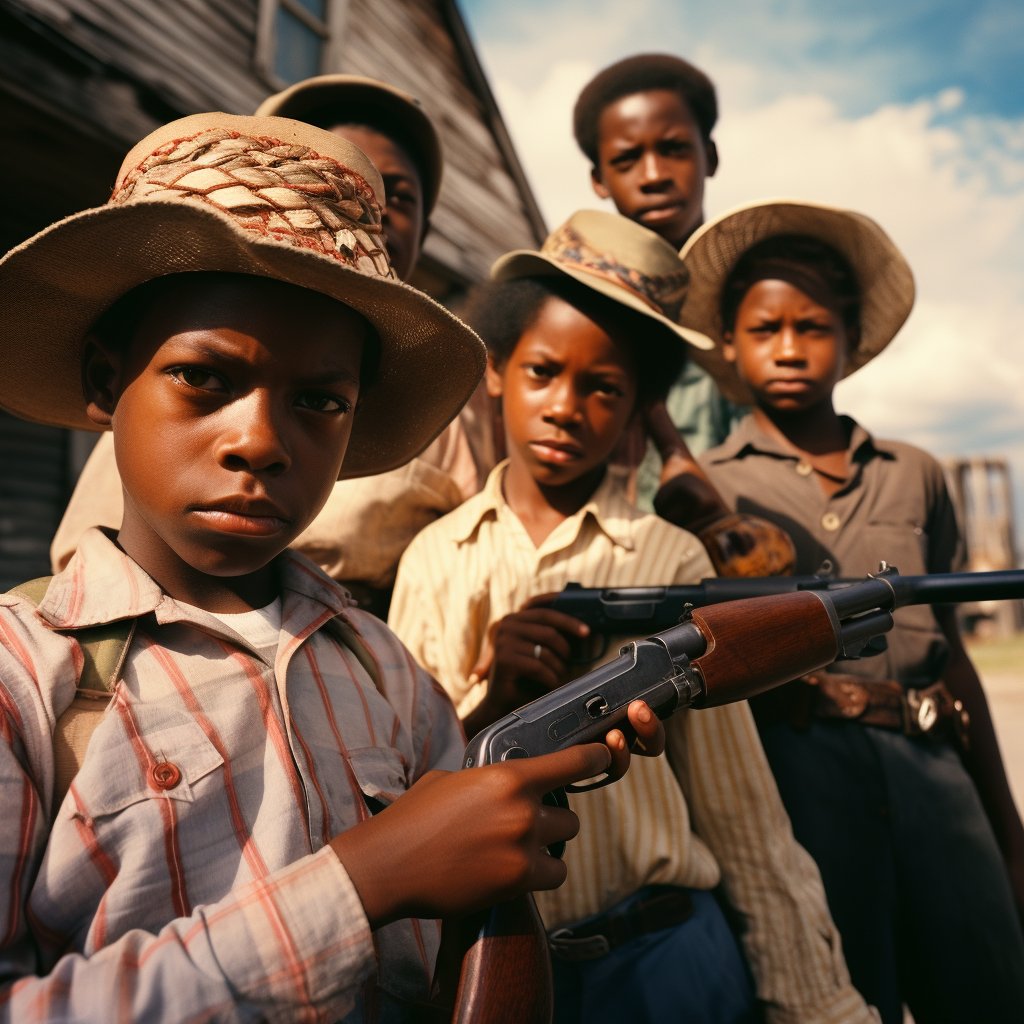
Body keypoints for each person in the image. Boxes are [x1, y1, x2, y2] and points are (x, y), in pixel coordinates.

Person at [0, 113, 665, 1021]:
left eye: (319, 400)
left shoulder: (387, 673)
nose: (261, 441)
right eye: (204, 378)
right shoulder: (25, 678)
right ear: (106, 379)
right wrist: (363, 881)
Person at [389, 209, 877, 1024]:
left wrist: (817, 1004)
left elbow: (740, 811)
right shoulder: (436, 558)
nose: (564, 406)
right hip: (497, 965)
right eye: (543, 372)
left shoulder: (672, 559)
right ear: (498, 369)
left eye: (603, 388)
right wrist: (493, 698)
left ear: (639, 408)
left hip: (668, 958)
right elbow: (401, 802)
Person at [686, 198, 1024, 1023]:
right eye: (766, 330)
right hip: (801, 786)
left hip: (936, 773)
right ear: (729, 346)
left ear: (851, 339)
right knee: (844, 992)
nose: (791, 348)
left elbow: (950, 644)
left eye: (814, 327)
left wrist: (1007, 830)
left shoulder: (916, 472)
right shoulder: (712, 492)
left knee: (989, 987)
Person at [51, 75, 488, 616]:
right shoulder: (149, 401)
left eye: (394, 198)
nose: (258, 443)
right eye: (321, 185)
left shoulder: (449, 416)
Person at [573, 53, 743, 509]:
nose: (653, 176)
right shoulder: (577, 309)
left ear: (710, 155)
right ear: (599, 181)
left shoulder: (762, 291)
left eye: (673, 149)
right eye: (626, 160)